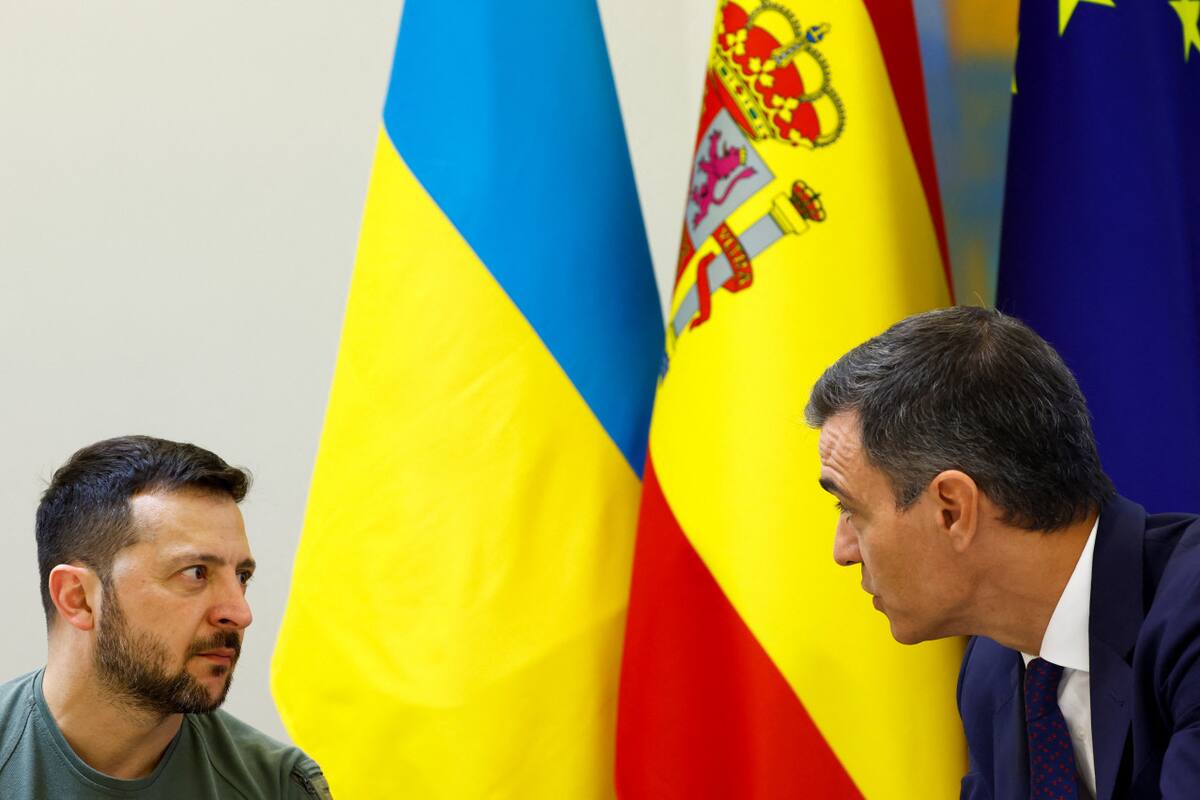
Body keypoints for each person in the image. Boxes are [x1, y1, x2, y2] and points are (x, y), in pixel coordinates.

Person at [806, 306, 1200, 799]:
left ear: (952, 508)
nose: (842, 552)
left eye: (851, 509)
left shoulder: (1191, 613)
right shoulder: (991, 672)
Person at [0, 435, 332, 799]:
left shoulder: (278, 786)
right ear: (78, 598)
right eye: (195, 573)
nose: (240, 613)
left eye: (241, 577)